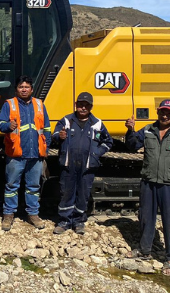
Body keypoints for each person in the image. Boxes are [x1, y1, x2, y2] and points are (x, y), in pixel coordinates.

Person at [124, 99, 170, 276]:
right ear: (157, 112)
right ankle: (144, 250)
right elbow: (132, 146)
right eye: (162, 112)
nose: (165, 115)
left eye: (169, 113)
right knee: (146, 218)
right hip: (149, 182)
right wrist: (130, 130)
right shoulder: (148, 130)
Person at [51, 92, 112, 235]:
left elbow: (108, 141)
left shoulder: (97, 123)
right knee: (66, 192)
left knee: (83, 193)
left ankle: (79, 221)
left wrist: (97, 152)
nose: (83, 108)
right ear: (76, 105)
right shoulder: (66, 121)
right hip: (68, 164)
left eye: (86, 105)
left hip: (87, 165)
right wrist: (59, 137)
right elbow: (53, 136)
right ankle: (64, 221)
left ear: (91, 107)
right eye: (80, 104)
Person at [0, 75, 51, 230]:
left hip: (35, 154)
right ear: (17, 89)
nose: (24, 89)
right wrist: (8, 125)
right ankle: (8, 215)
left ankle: (33, 214)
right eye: (21, 87)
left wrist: (45, 148)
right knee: (11, 186)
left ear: (31, 89)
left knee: (33, 186)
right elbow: (1, 125)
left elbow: (46, 129)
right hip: (16, 154)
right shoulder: (9, 105)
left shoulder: (40, 105)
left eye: (27, 87)